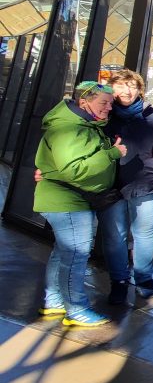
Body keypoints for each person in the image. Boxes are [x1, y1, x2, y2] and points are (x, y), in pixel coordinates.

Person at [36, 81, 127, 326]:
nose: (109, 108)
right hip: (68, 201)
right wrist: (112, 153)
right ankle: (75, 309)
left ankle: (54, 302)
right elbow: (74, 169)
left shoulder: (79, 125)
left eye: (111, 103)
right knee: (75, 255)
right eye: (103, 103)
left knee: (62, 253)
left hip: (67, 199)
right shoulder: (69, 128)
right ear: (83, 102)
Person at [98, 69, 153, 304]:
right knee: (114, 236)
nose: (126, 90)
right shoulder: (103, 116)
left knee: (144, 235)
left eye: (131, 85)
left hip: (146, 183)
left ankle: (144, 279)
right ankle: (119, 281)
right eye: (120, 85)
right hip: (110, 184)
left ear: (139, 89)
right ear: (112, 88)